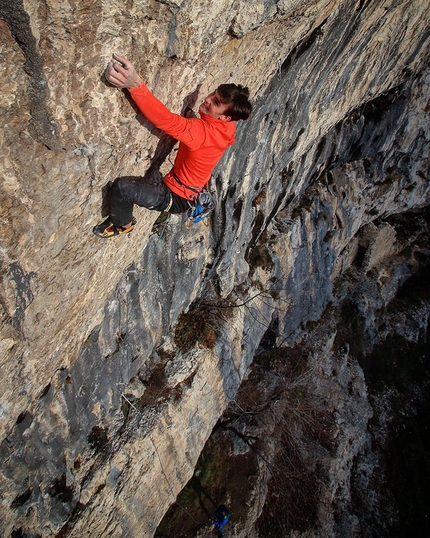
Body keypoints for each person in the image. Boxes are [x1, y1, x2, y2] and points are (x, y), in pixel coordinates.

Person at [93, 53, 252, 238]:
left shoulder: (201, 132)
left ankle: (123, 225)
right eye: (213, 94)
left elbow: (165, 120)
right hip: (194, 190)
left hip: (177, 197)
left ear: (225, 117)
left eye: (215, 102)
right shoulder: (228, 127)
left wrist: (135, 85)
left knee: (122, 189)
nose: (208, 99)